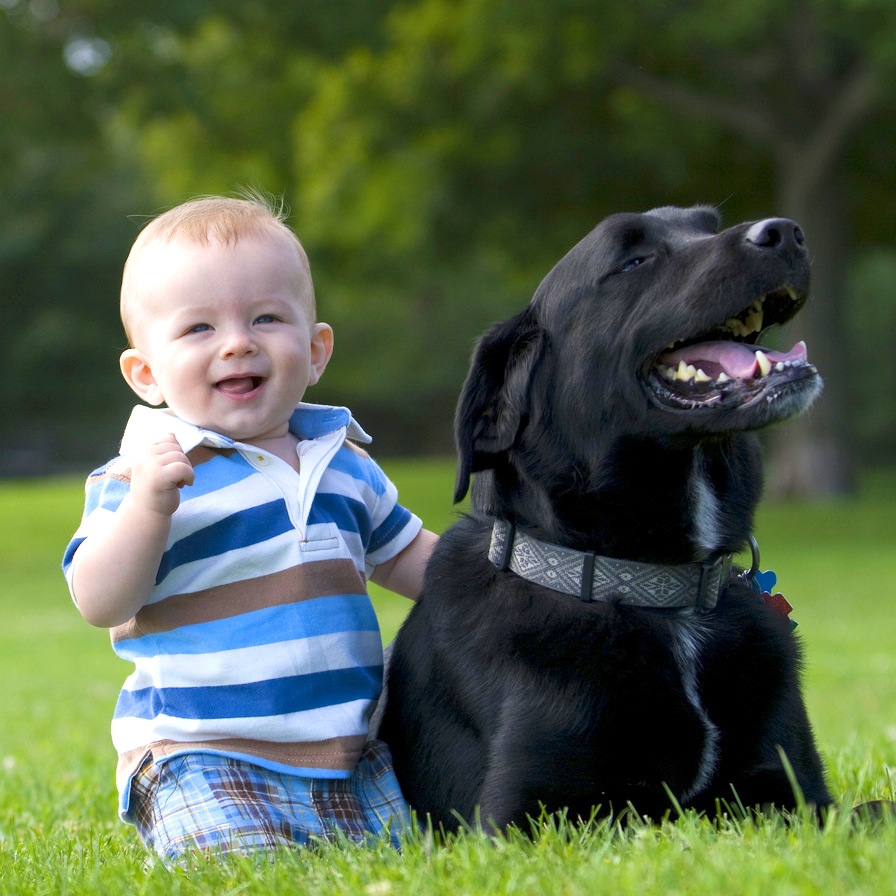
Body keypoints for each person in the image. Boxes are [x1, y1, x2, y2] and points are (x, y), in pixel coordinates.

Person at [62, 194, 438, 862]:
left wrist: (503, 578)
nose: (238, 341)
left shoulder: (345, 461)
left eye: (266, 317)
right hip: (205, 752)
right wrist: (151, 505)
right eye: (199, 329)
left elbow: (412, 560)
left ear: (316, 349)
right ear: (145, 374)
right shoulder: (142, 475)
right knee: (240, 861)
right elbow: (100, 600)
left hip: (349, 752)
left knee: (416, 844)